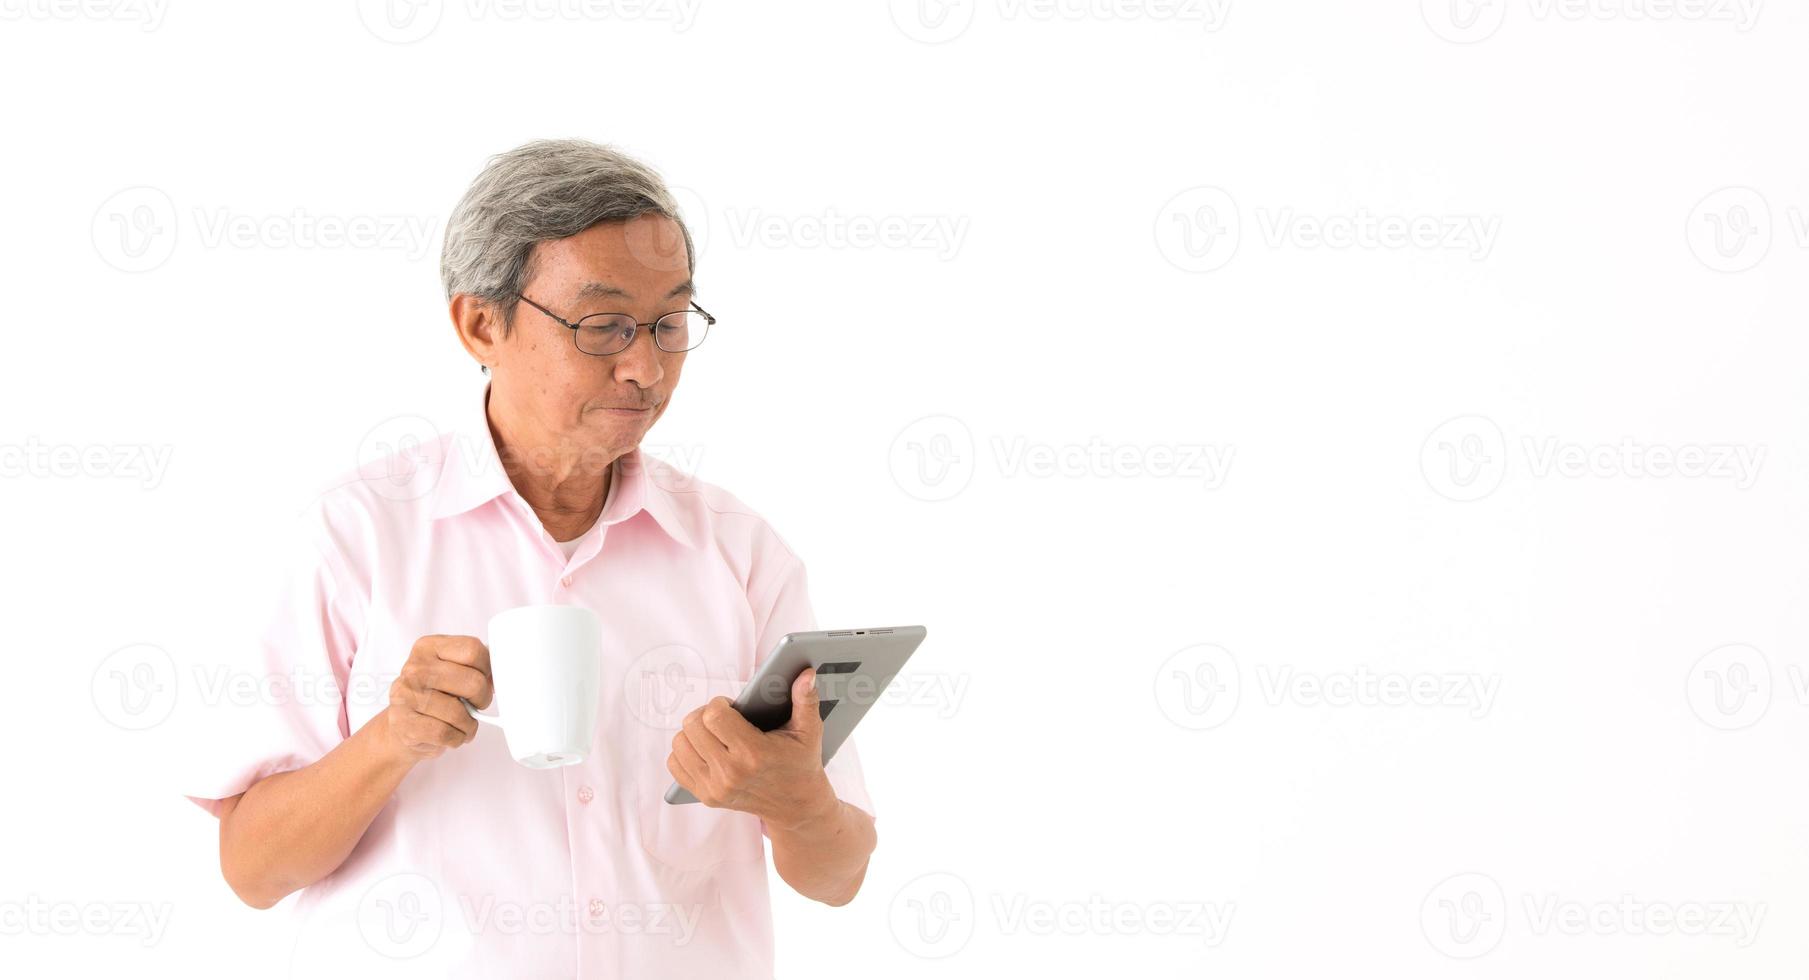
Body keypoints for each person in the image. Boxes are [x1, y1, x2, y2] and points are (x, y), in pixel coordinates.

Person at [182, 138, 877, 978]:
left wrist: (800, 804)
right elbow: (251, 870)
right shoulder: (354, 536)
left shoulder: (741, 554)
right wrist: (389, 741)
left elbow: (837, 877)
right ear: (482, 323)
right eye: (604, 324)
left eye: (668, 323)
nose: (646, 366)